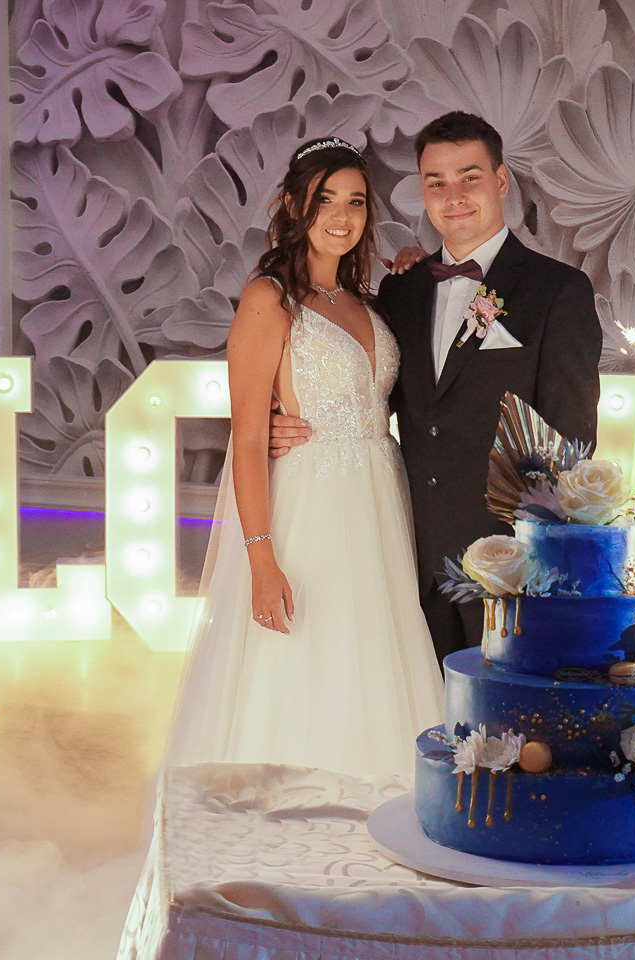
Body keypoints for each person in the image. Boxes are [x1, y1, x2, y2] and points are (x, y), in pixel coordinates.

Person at [271, 112, 603, 665]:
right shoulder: (402, 293)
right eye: (436, 182)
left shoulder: (558, 290)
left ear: (501, 180)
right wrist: (278, 420)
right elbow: (360, 392)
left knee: (504, 718)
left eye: (469, 178)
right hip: (406, 556)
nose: (454, 197)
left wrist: (541, 560)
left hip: (509, 569)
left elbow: (570, 443)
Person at [163, 137, 443, 779]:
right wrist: (261, 559)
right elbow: (248, 439)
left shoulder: (367, 300)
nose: (342, 216)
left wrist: (414, 269)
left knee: (374, 654)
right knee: (310, 653)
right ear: (292, 205)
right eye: (325, 200)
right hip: (311, 505)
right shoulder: (269, 299)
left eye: (356, 202)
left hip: (380, 502)